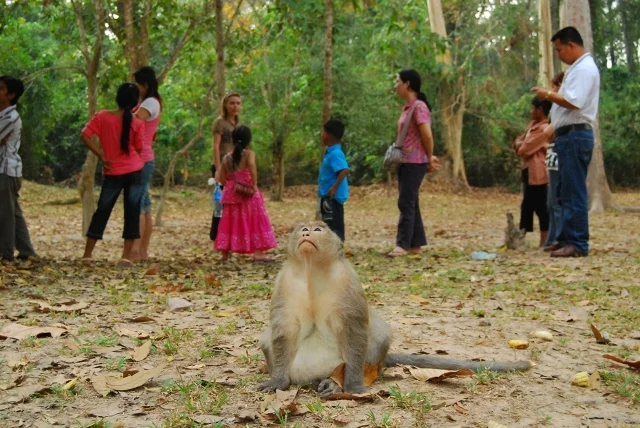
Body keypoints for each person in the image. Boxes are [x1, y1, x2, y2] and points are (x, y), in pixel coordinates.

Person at [532, 26, 600, 257]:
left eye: (560, 49)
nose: (559, 55)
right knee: (563, 190)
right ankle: (564, 238)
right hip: (566, 136)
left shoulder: (585, 69)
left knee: (574, 190)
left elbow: (574, 102)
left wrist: (547, 95)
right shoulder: (576, 69)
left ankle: (578, 243)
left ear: (571, 45)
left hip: (575, 135)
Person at [81, 83, 145, 264]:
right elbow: (139, 148)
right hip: (135, 170)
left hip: (112, 171)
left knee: (102, 210)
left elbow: (84, 135)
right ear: (135, 103)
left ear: (117, 98)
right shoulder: (137, 123)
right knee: (132, 211)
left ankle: (87, 255)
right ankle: (125, 257)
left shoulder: (102, 117)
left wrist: (101, 155)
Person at [387, 69, 440, 258]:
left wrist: (429, 157)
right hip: (406, 160)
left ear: (407, 84)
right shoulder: (408, 107)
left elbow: (427, 134)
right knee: (411, 201)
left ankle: (402, 245)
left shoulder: (419, 107)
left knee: (405, 202)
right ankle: (415, 244)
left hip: (415, 161)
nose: (396, 85)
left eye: (398, 81)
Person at [215, 126, 277, 262]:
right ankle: (258, 253)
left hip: (232, 193)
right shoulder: (249, 154)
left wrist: (230, 186)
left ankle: (225, 255)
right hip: (248, 193)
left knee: (229, 222)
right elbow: (251, 165)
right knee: (255, 220)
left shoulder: (226, 157)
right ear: (249, 140)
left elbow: (222, 178)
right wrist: (254, 184)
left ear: (233, 139)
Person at [0, 75, 38, 262]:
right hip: (7, 170)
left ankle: (6, 254)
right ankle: (27, 250)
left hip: (6, 170)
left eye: (1, 89)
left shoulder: (10, 117)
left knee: (5, 214)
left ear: (11, 95)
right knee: (13, 211)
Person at [130, 66, 162, 261]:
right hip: (143, 157)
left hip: (142, 159)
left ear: (146, 85)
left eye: (137, 84)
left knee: (138, 206)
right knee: (146, 206)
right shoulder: (147, 102)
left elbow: (133, 122)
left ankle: (134, 251)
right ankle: (142, 251)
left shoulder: (150, 102)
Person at [514, 97, 553, 247]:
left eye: (533, 109)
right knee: (527, 205)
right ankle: (521, 237)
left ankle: (545, 239)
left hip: (538, 172)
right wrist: (520, 144)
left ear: (540, 110)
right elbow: (518, 141)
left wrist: (520, 145)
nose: (531, 111)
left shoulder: (543, 129)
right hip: (528, 171)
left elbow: (524, 149)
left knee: (541, 206)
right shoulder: (532, 126)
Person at [210, 92, 241, 250]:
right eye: (232, 103)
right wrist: (217, 169)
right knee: (219, 204)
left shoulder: (238, 124)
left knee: (233, 204)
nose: (235, 106)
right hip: (221, 168)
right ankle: (215, 239)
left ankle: (230, 240)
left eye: (238, 103)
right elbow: (215, 146)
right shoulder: (220, 123)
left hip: (235, 168)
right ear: (225, 105)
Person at [543, 72, 565, 249]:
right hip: (551, 156)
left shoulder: (564, 107)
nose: (553, 90)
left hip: (558, 155)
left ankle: (559, 237)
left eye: (555, 86)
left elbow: (549, 132)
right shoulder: (555, 108)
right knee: (551, 202)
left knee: (557, 201)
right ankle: (552, 237)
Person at [318, 118, 349, 241]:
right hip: (327, 196)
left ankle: (336, 250)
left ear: (328, 135)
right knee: (328, 223)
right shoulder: (330, 152)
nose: (322, 136)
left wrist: (334, 187)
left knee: (334, 225)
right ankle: (331, 251)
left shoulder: (335, 153)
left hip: (332, 198)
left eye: (323, 132)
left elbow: (344, 170)